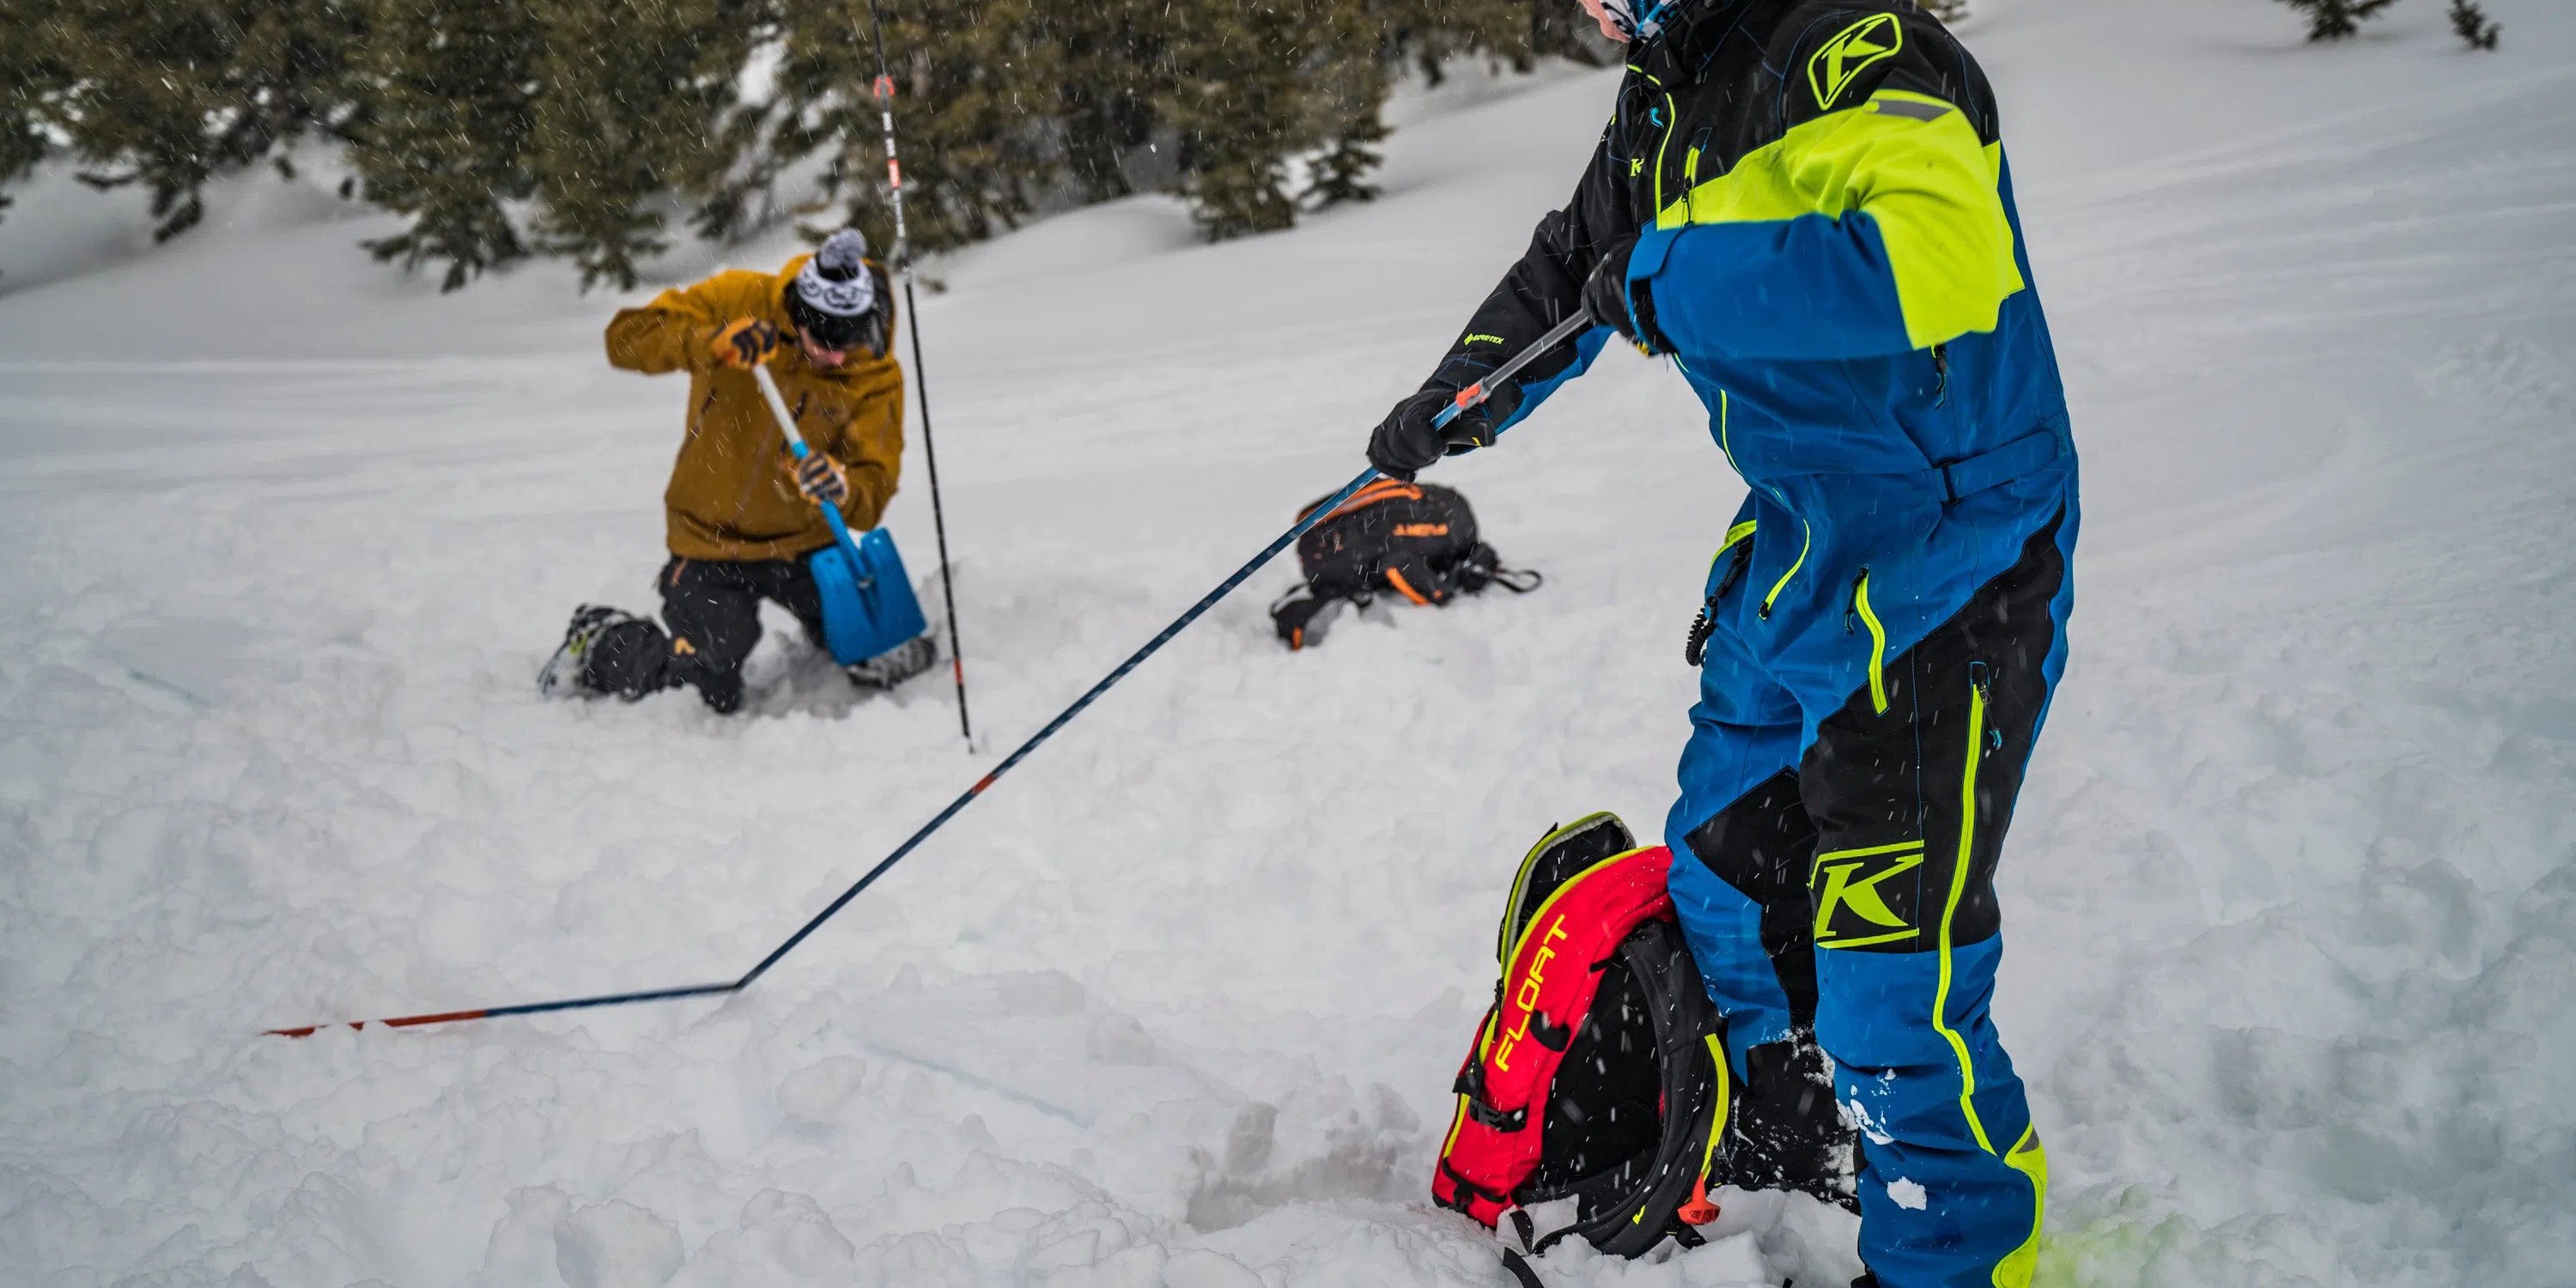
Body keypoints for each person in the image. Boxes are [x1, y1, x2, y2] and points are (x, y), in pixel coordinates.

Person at [1367, 2, 2075, 1285]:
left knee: (1890, 977)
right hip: (1803, 552)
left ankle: (1960, 1253)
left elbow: (1941, 258)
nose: (1596, 11)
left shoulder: (1853, 45)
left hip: (1948, 558)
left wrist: (1672, 274)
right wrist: (1450, 404)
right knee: (1721, 872)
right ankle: (1784, 1128)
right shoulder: (1664, 96)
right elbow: (1569, 269)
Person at [542, 228, 934, 714]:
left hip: (808, 545)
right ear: (798, 316)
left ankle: (836, 635)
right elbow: (625, 340)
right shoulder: (739, 299)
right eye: (823, 341)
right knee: (707, 688)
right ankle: (603, 639)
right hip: (712, 539)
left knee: (891, 660)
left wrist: (843, 486)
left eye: (849, 341)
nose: (835, 356)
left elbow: (873, 485)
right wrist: (710, 342)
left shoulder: (873, 371)